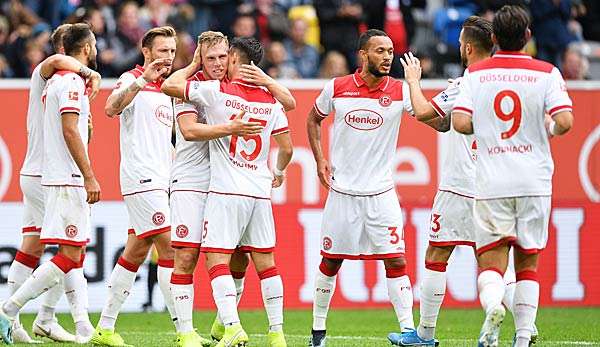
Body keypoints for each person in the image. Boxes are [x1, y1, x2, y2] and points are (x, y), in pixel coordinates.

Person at [388, 16, 538, 346]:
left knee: (436, 255)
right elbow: (443, 124)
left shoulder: (466, 83)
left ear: (468, 48)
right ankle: (525, 326)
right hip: (498, 187)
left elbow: (424, 111)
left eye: (459, 43)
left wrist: (413, 80)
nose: (458, 48)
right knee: (498, 265)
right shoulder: (507, 84)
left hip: (459, 185)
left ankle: (425, 334)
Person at [306, 28, 450, 347]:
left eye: (390, 51)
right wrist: (319, 159)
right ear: (363, 55)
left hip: (381, 194)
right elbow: (313, 119)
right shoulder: (337, 88)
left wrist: (435, 94)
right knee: (331, 260)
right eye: (380, 51)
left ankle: (409, 332)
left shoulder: (399, 91)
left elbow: (437, 122)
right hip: (342, 194)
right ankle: (317, 333)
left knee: (396, 260)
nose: (388, 57)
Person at [164, 31, 296, 347]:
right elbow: (189, 130)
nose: (218, 63)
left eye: (223, 57)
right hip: (193, 183)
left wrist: (265, 80)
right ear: (200, 59)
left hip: (225, 186)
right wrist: (232, 128)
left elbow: (288, 101)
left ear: (232, 57)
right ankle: (185, 332)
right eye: (210, 58)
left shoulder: (223, 90)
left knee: (237, 259)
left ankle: (227, 322)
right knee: (186, 257)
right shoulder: (198, 88)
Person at [452, 5, 573, 347]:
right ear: (528, 37)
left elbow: (460, 123)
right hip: (534, 180)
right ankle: (522, 339)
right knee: (527, 266)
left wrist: (488, 128)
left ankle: (493, 306)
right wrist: (547, 127)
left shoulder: (476, 76)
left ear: (492, 38)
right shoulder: (547, 72)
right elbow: (564, 121)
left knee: (491, 264)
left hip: (492, 181)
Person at [0, 22, 101, 345]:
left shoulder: (57, 82)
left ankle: (44, 319)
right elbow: (70, 130)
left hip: (40, 172)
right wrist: (90, 73)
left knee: (35, 247)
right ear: (76, 50)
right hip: (50, 174)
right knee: (71, 250)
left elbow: (79, 133)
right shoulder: (55, 75)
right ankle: (16, 312)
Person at [91, 26, 178, 347]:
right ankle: (184, 330)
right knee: (170, 248)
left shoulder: (167, 89)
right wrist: (143, 80)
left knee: (137, 250)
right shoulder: (132, 78)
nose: (168, 57)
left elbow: (162, 142)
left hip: (161, 178)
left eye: (172, 51)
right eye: (162, 50)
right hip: (141, 178)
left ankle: (105, 327)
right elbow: (110, 107)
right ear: (147, 51)